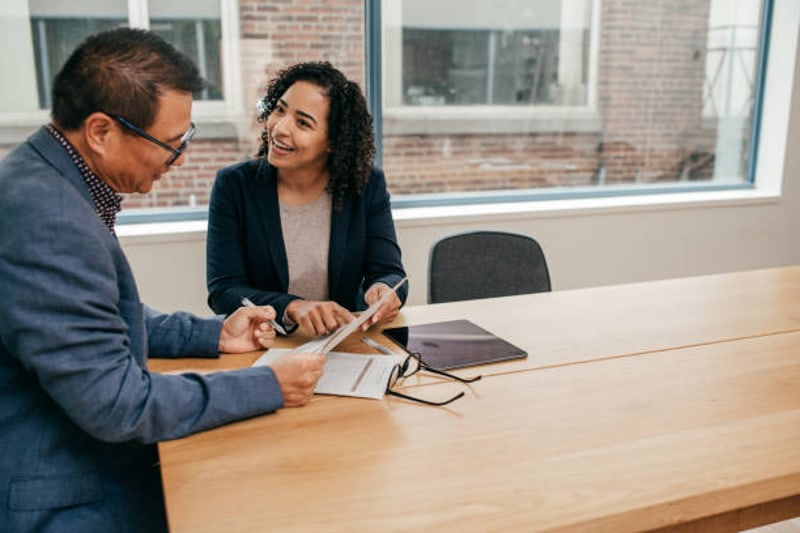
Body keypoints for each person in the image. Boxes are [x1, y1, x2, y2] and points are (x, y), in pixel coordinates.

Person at [0, 28, 325, 532]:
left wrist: (212, 333)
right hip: (64, 493)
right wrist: (266, 386)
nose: (179, 159)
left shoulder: (43, 178)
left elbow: (96, 316)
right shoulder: (50, 219)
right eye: (169, 143)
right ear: (101, 132)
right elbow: (117, 404)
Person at [206, 61, 408, 337]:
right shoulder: (235, 186)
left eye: (303, 123)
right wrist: (292, 307)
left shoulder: (365, 185)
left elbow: (389, 272)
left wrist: (383, 290)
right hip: (265, 344)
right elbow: (224, 291)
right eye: (279, 110)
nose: (279, 128)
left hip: (343, 344)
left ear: (333, 141)